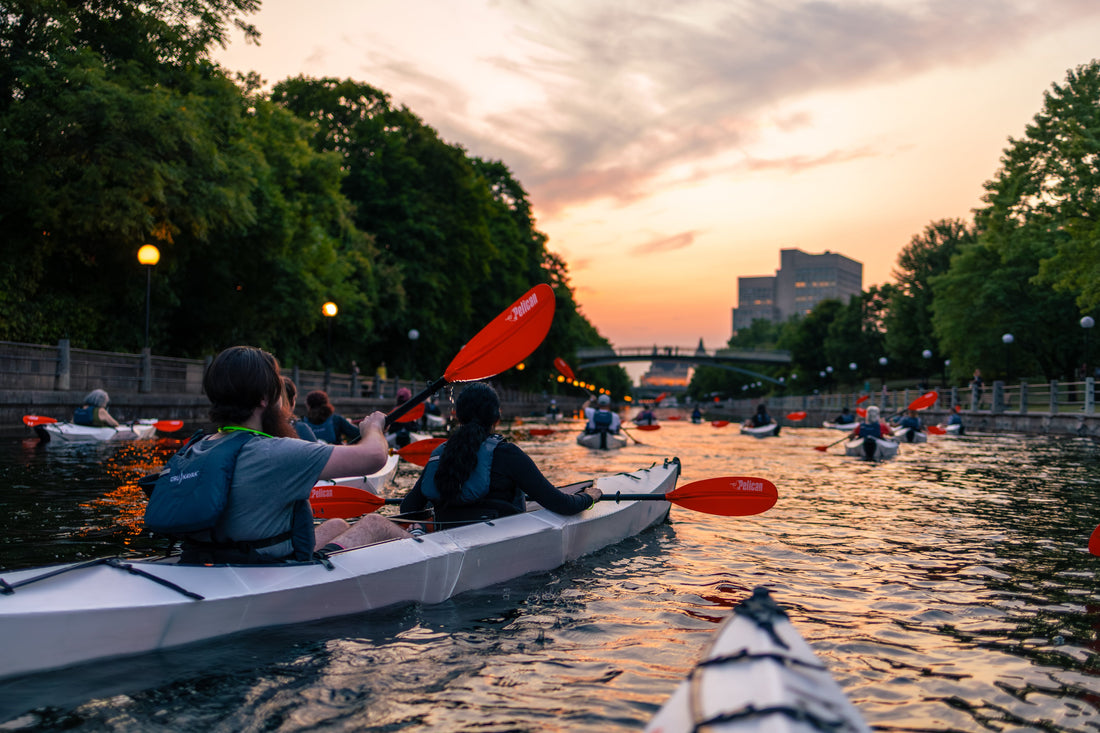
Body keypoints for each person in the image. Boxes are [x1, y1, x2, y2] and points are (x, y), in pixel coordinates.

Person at [147, 345, 408, 564]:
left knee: (338, 524)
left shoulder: (197, 446)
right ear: (264, 399)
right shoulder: (276, 452)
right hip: (268, 569)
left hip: (213, 557)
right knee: (376, 523)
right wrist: (373, 427)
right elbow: (374, 456)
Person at [399, 383, 601, 526]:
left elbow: (408, 507)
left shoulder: (440, 453)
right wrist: (589, 497)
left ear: (458, 416)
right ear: (497, 417)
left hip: (446, 538)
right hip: (500, 545)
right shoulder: (508, 454)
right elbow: (561, 504)